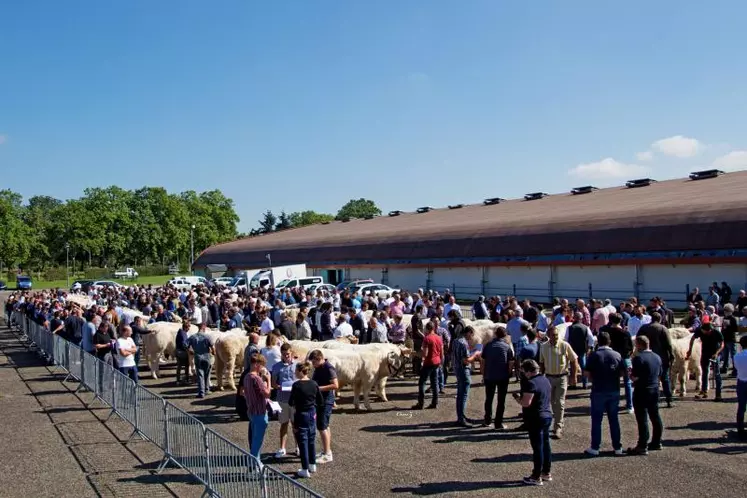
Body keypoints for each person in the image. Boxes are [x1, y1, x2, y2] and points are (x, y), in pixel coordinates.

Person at [583, 332, 625, 456]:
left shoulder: (594, 355)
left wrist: (593, 379)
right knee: (614, 419)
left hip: (598, 390)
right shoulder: (617, 354)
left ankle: (595, 447)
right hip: (614, 389)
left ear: (598, 342)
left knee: (597, 420)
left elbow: (586, 373)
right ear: (609, 341)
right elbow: (623, 371)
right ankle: (617, 447)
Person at [513, 359, 553, 486]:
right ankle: (546, 472)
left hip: (536, 418)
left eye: (524, 371)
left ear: (529, 371)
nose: (523, 374)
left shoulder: (531, 383)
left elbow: (526, 403)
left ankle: (536, 476)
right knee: (546, 445)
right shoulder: (545, 380)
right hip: (547, 415)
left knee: (537, 447)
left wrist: (517, 398)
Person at [539, 325, 578, 439]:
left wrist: (573, 376)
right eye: (553, 335)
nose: (555, 337)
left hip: (562, 378)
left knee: (560, 403)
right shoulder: (543, 347)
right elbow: (541, 363)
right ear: (548, 336)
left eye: (557, 335)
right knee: (551, 402)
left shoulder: (564, 345)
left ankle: (558, 427)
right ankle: (549, 424)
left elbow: (574, 360)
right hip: (549, 378)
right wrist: (541, 377)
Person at [627, 336, 664, 455]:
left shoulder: (638, 358)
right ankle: (657, 441)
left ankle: (642, 444)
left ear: (639, 345)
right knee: (655, 415)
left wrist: (629, 375)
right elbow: (660, 374)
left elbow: (635, 377)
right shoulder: (657, 357)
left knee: (642, 418)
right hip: (654, 388)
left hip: (642, 389)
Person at [289, 361, 324, 478]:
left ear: (300, 371)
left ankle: (304, 468)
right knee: (311, 439)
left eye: (296, 371)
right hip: (312, 413)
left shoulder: (296, 385)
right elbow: (320, 401)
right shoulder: (314, 384)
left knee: (302, 440)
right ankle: (312, 464)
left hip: (301, 414)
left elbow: (290, 402)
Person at [636, 312, 674, 407]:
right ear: (660, 319)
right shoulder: (663, 328)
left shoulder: (644, 328)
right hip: (662, 357)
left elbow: (638, 339)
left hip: (646, 356)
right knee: (665, 379)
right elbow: (669, 344)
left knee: (647, 378)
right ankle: (669, 399)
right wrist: (672, 355)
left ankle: (648, 399)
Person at [481, 326, 514, 430]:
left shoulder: (488, 345)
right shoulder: (507, 346)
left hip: (489, 375)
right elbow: (510, 362)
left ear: (495, 334)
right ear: (504, 335)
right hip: (502, 376)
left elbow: (483, 361)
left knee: (489, 398)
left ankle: (487, 420)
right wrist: (509, 373)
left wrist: (483, 374)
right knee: (501, 400)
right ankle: (498, 423)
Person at [310, 350, 338, 463]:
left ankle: (327, 454)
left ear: (318, 359)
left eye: (313, 362)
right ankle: (327, 450)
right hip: (321, 400)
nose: (313, 365)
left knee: (322, 427)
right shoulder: (319, 368)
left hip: (326, 401)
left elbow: (335, 385)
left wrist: (319, 388)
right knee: (325, 426)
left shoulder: (328, 368)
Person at [602, 313, 634, 413]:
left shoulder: (606, 332)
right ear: (621, 321)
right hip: (624, 358)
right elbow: (631, 347)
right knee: (627, 383)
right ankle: (630, 406)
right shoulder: (625, 333)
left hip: (610, 358)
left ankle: (611, 405)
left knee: (611, 383)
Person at [272, 343, 298, 458]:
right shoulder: (276, 366)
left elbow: (302, 379)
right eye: (283, 354)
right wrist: (278, 387)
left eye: (287, 354)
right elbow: (273, 383)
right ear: (281, 354)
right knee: (283, 424)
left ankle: (298, 447)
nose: (286, 356)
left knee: (296, 424)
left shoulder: (297, 365)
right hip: (282, 399)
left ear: (291, 353)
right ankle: (282, 448)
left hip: (295, 400)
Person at [243, 353, 271, 460]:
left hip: (251, 411)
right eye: (262, 365)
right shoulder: (256, 379)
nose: (263, 368)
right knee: (257, 442)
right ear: (257, 364)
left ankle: (256, 463)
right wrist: (268, 379)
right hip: (260, 412)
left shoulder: (246, 377)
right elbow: (267, 393)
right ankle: (254, 465)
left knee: (255, 439)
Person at [452, 326, 481, 427]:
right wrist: (476, 354)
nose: (472, 337)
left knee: (460, 394)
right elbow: (466, 360)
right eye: (472, 334)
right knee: (463, 395)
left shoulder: (456, 341)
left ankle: (461, 416)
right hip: (463, 370)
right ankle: (461, 418)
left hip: (457, 369)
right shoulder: (464, 343)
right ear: (468, 332)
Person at [687, 321, 724, 401]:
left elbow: (722, 344)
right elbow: (692, 339)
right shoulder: (700, 331)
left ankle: (718, 394)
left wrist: (717, 353)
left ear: (710, 330)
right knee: (705, 372)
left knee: (717, 374)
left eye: (706, 332)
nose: (704, 333)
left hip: (715, 353)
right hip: (705, 353)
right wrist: (690, 350)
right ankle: (704, 391)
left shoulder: (716, 332)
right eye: (703, 331)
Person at [412, 322, 443, 410]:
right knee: (435, 382)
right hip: (437, 362)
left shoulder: (427, 339)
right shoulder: (439, 337)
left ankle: (420, 403)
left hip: (429, 363)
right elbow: (441, 352)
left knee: (422, 382)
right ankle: (434, 403)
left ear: (427, 329)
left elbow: (424, 354)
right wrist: (441, 362)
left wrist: (415, 354)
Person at [565, 312, 594, 389]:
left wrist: (567, 350)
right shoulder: (586, 328)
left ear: (574, 318)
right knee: (583, 367)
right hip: (582, 350)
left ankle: (573, 384)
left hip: (572, 350)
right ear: (581, 319)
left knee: (573, 367)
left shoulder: (569, 328)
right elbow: (591, 339)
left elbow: (566, 339)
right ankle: (585, 384)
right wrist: (589, 348)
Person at [187, 323, 214, 398]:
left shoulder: (193, 337)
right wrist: (213, 353)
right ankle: (207, 389)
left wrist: (190, 350)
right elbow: (212, 347)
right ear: (204, 328)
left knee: (200, 375)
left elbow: (185, 344)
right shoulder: (207, 336)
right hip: (207, 357)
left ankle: (201, 392)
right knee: (207, 374)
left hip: (198, 357)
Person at [734, 335, 747, 441]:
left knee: (741, 407)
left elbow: (737, 368)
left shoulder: (736, 356)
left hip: (741, 382)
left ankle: (740, 429)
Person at [720, 304, 739, 376]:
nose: (725, 312)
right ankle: (725, 367)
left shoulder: (733, 318)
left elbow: (735, 329)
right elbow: (723, 328)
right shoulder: (725, 317)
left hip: (731, 339)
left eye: (726, 310)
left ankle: (735, 370)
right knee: (725, 355)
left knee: (733, 355)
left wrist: (728, 327)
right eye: (725, 310)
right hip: (725, 339)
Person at [175, 317, 191, 385]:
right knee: (186, 365)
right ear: (186, 328)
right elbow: (184, 344)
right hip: (182, 352)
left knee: (179, 366)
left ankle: (178, 380)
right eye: (188, 328)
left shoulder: (180, 332)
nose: (188, 330)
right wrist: (189, 350)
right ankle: (186, 379)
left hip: (177, 351)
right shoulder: (183, 333)